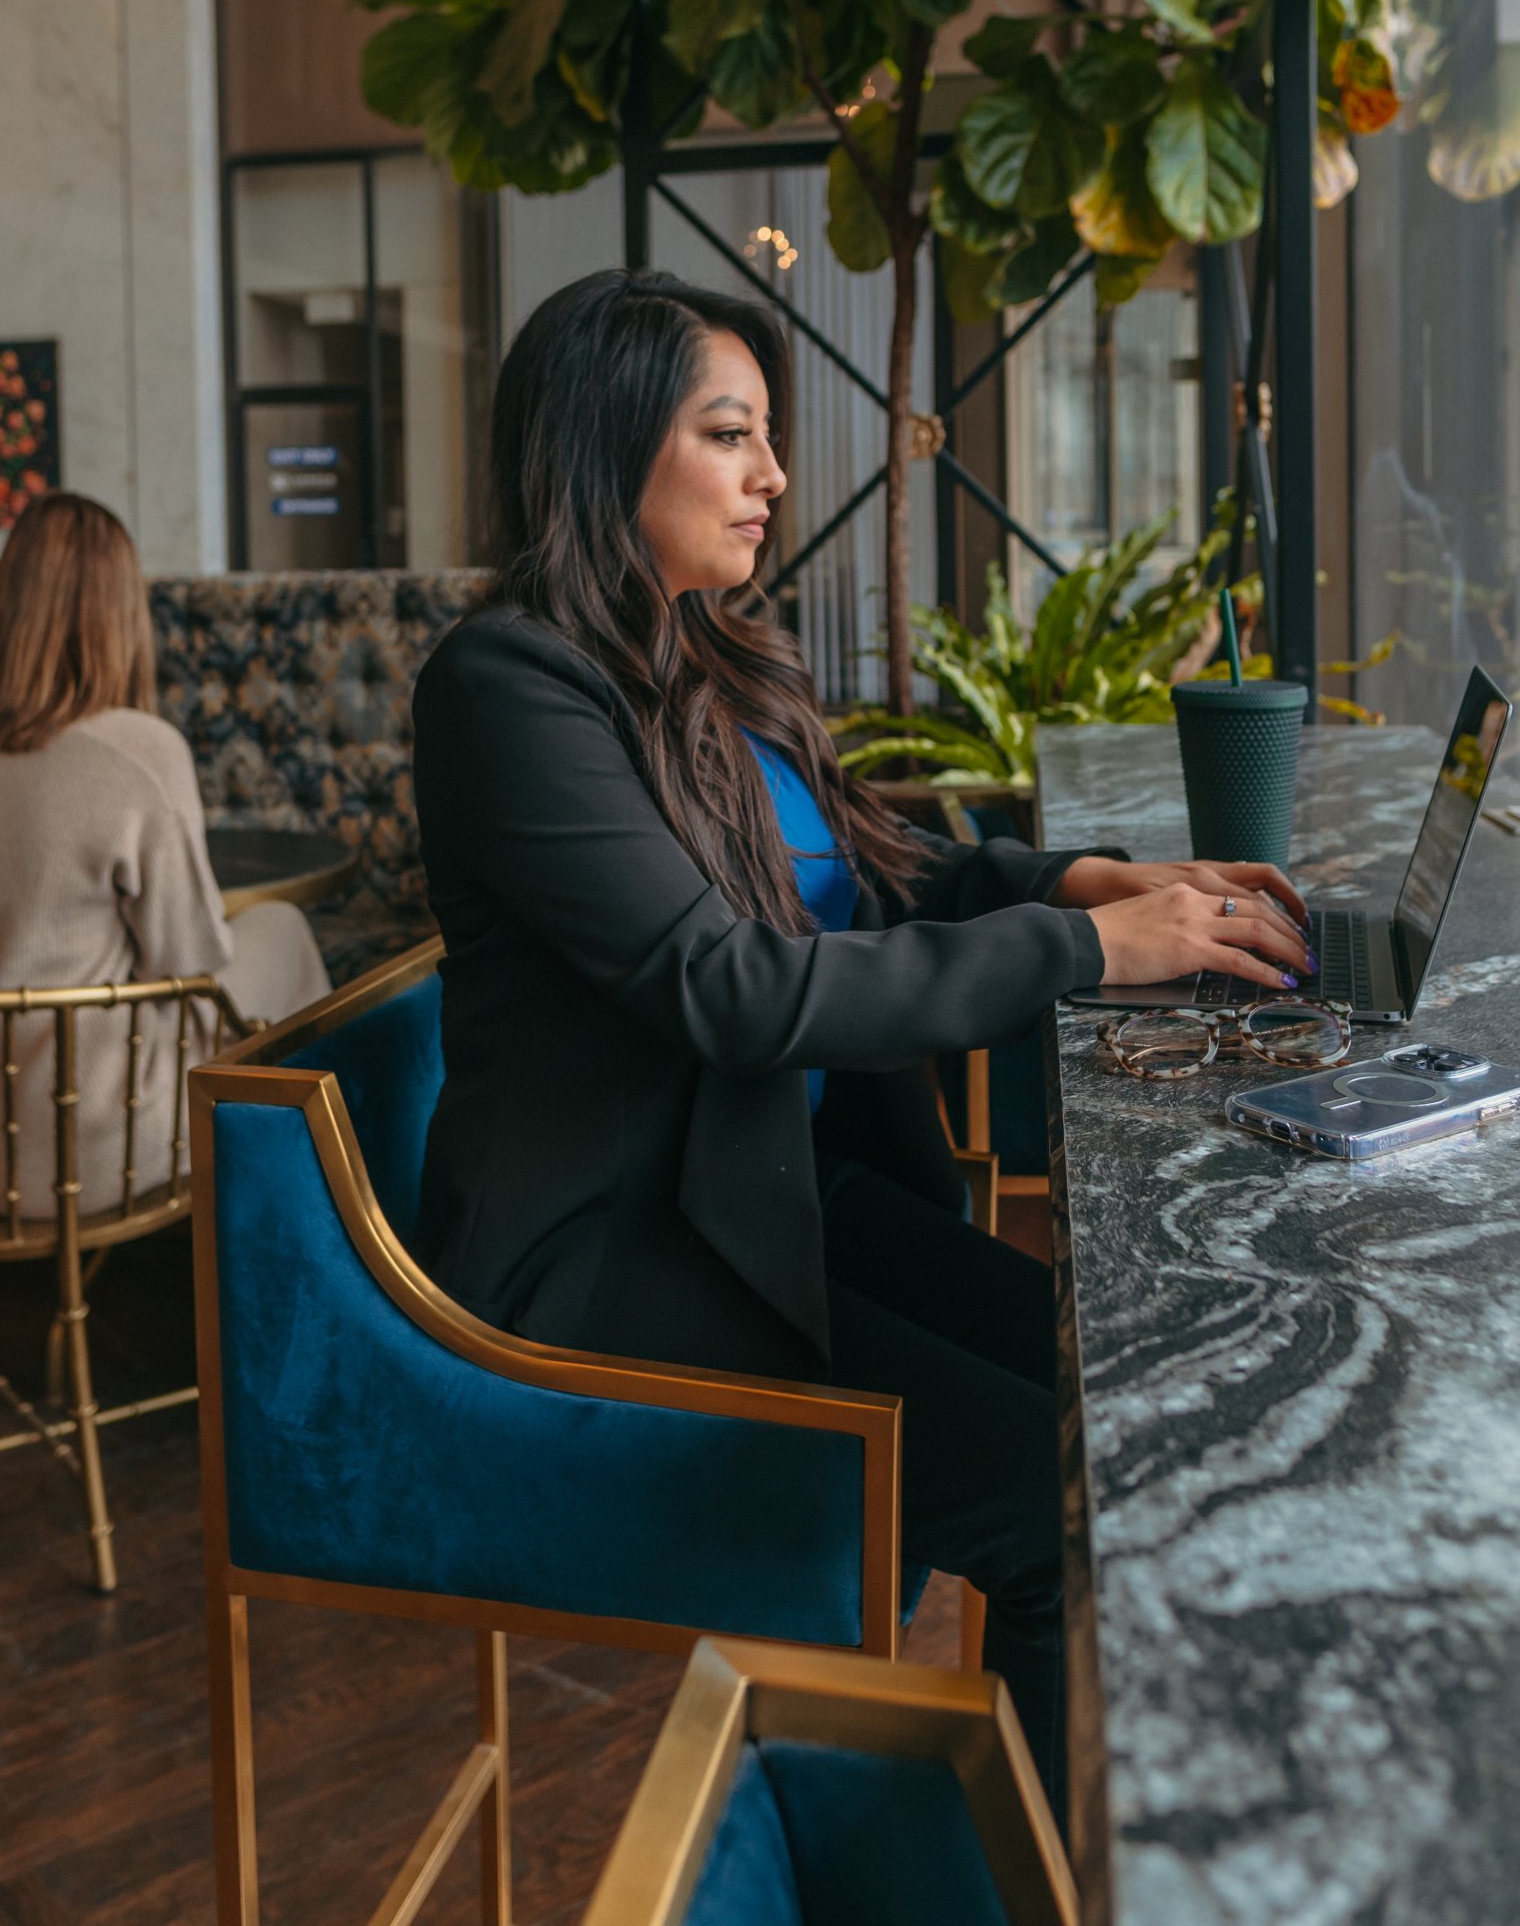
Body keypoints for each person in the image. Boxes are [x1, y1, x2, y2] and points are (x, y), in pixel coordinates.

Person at [410, 270, 1309, 1811]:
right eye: (730, 434)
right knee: (1052, 1502)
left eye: (765, 437)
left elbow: (883, 876)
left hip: (764, 1196)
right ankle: (1009, 1885)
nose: (771, 477)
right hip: (618, 1254)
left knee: (1117, 1409)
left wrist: (1097, 881)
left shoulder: (706, 658)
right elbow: (737, 988)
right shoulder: (510, 690)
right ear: (606, 448)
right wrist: (1093, 952)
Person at [0, 490, 330, 1220]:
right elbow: (189, 965)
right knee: (285, 934)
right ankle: (317, 1226)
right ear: (120, 617)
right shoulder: (138, 751)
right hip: (101, 1153)